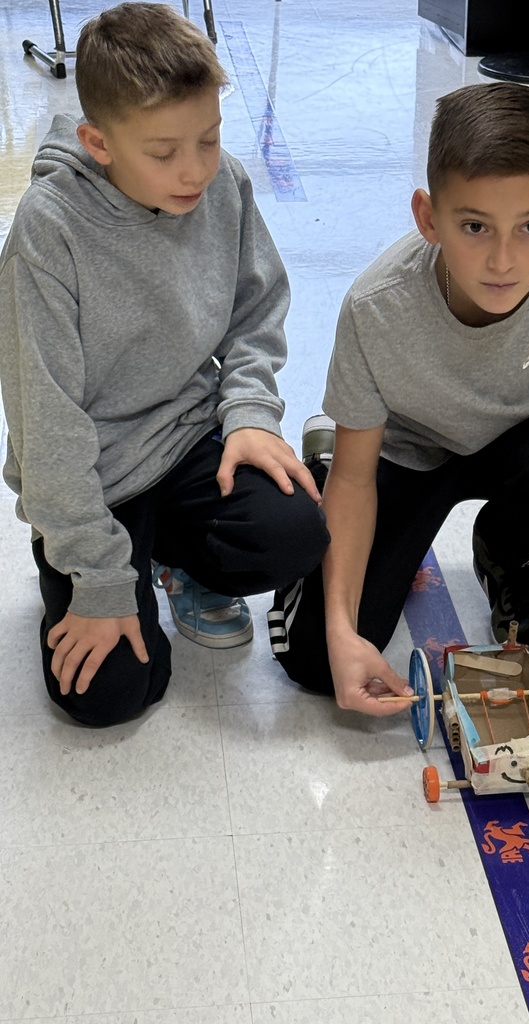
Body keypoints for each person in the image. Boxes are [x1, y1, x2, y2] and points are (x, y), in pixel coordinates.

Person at [268, 81, 529, 717]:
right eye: (475, 226)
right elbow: (355, 478)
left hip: (527, 447)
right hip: (403, 454)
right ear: (428, 217)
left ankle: (504, 555)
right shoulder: (376, 307)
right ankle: (332, 436)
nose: (503, 259)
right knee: (317, 663)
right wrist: (344, 632)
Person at [0, 3, 329, 726]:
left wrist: (248, 413)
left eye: (208, 139)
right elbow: (45, 426)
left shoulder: (225, 185)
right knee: (110, 695)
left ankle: (176, 565)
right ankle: (86, 559)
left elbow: (254, 309)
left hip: (187, 441)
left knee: (298, 531)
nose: (194, 170)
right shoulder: (47, 234)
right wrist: (100, 578)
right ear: (98, 142)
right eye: (164, 151)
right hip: (92, 477)